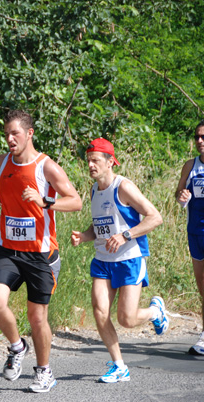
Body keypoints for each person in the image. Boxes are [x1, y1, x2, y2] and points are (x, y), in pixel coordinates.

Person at [0, 110, 82, 393]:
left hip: (40, 253)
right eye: (6, 134)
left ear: (30, 134)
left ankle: (44, 372)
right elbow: (3, 195)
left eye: (15, 133)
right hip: (7, 248)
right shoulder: (3, 161)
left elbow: (75, 201)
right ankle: (17, 347)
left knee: (37, 317)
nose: (9, 139)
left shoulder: (46, 167)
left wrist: (45, 202)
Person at [71, 138, 168, 383]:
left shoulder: (122, 187)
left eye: (95, 160)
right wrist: (84, 236)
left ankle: (155, 312)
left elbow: (155, 217)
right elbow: (100, 225)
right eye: (88, 160)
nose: (91, 165)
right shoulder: (94, 190)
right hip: (103, 259)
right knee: (100, 311)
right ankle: (119, 366)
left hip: (130, 258)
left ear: (110, 161)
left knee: (127, 319)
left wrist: (126, 235)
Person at [175, 120, 204, 356]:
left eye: (203, 137)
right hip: (195, 232)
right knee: (201, 287)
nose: (199, 141)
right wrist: (182, 194)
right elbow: (178, 194)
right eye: (197, 137)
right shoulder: (190, 165)